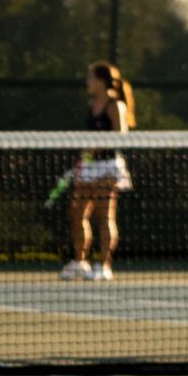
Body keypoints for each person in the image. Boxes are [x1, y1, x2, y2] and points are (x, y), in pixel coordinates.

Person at [61, 63, 135, 282]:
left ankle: (104, 266)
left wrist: (95, 149)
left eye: (90, 78)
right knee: (76, 213)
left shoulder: (115, 105)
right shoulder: (92, 103)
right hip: (88, 166)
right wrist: (82, 159)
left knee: (104, 217)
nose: (87, 82)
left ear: (101, 81)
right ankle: (80, 262)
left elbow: (120, 136)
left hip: (108, 167)